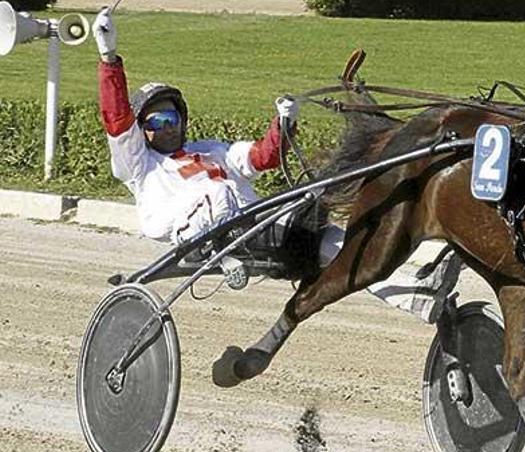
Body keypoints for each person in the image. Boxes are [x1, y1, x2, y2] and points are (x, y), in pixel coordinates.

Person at [90, 8, 460, 356]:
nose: (166, 127)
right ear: (142, 131)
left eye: (170, 118)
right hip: (205, 239)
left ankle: (419, 295)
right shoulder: (139, 166)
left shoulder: (211, 151)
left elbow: (260, 158)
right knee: (226, 194)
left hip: (258, 229)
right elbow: (117, 121)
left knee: (342, 245)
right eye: (155, 123)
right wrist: (109, 58)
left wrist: (282, 124)